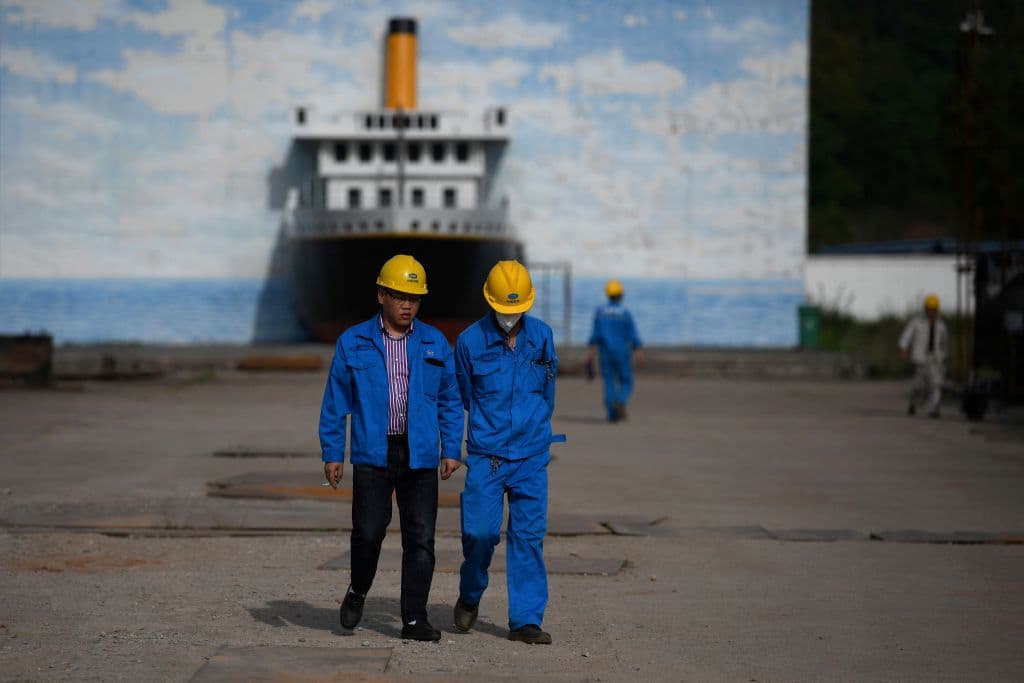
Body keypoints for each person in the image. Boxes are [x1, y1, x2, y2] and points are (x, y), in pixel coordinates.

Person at [319, 254, 463, 641]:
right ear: (381, 294)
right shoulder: (353, 341)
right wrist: (333, 453)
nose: (407, 305)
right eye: (399, 296)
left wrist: (451, 448)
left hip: (419, 454)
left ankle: (414, 618)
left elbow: (450, 399)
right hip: (372, 452)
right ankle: (358, 590)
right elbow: (336, 402)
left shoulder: (434, 342)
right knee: (367, 533)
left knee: (421, 539)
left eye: (414, 298)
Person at [452, 260, 560, 645]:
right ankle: (470, 591)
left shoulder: (543, 337)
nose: (510, 317)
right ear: (489, 302)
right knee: (479, 533)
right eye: (504, 310)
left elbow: (547, 392)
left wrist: (534, 432)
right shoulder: (468, 342)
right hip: (487, 455)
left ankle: (526, 619)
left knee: (528, 537)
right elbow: (461, 395)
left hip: (531, 455)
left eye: (517, 311)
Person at [586, 279, 644, 422]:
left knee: (609, 382)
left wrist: (590, 355)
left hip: (605, 351)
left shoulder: (600, 312)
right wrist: (638, 351)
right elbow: (632, 334)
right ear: (621, 295)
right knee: (626, 381)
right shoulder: (625, 313)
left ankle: (612, 414)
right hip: (622, 351)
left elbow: (595, 335)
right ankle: (621, 400)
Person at [898, 294, 948, 418]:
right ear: (925, 309)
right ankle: (913, 403)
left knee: (936, 384)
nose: (931, 312)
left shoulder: (941, 325)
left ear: (937, 310)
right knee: (919, 386)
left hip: (935, 358)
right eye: (929, 309)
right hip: (920, 358)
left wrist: (943, 357)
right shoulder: (917, 322)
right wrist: (904, 349)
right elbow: (906, 336)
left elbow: (944, 343)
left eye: (933, 309)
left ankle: (934, 409)